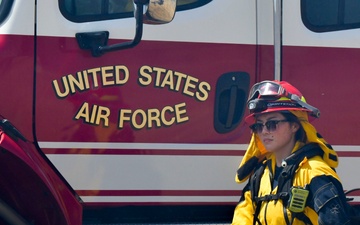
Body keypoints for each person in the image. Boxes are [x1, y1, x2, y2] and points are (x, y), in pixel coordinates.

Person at [232, 80, 351, 225]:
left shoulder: (315, 173)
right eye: (258, 126)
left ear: (295, 125)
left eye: (272, 124)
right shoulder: (259, 176)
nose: (264, 132)